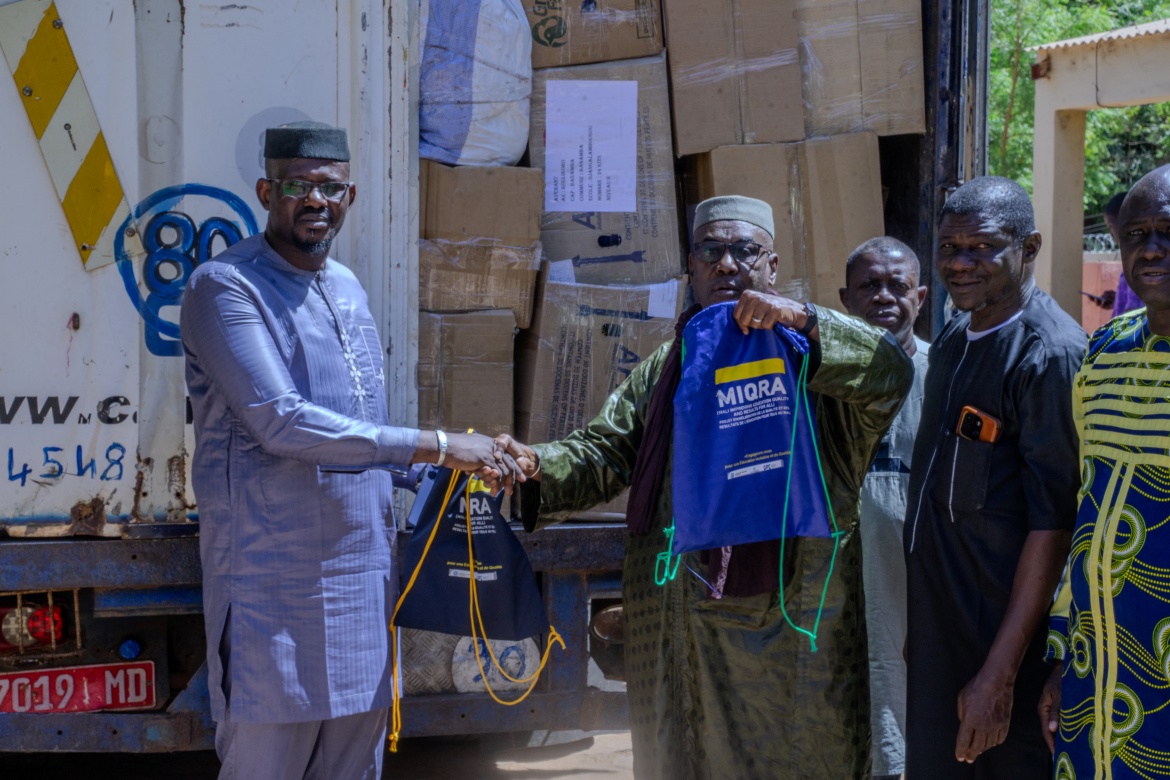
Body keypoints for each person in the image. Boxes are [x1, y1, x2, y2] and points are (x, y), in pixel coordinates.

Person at [493, 196, 913, 779]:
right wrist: (534, 464)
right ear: (691, 267)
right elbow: (606, 450)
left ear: (771, 265)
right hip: (677, 622)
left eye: (744, 251)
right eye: (711, 251)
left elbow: (890, 371)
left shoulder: (810, 361)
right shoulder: (670, 364)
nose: (726, 265)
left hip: (786, 628)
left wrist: (802, 319)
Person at [180, 121, 514, 779]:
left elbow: (368, 436)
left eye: (328, 188)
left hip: (361, 584)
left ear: (350, 195)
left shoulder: (349, 289)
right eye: (296, 185)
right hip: (271, 585)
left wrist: (474, 469)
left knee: (353, 768)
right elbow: (283, 423)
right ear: (265, 190)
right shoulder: (224, 289)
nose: (314, 200)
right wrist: (442, 446)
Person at [903, 176, 1087, 778]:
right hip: (942, 638)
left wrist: (998, 677)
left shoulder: (1050, 354)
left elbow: (1053, 526)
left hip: (1000, 651)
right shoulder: (957, 333)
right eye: (950, 248)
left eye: (980, 248)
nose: (960, 264)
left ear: (1028, 248)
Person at [1037, 165, 1170, 779]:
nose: (1152, 250)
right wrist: (1064, 656)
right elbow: (1086, 514)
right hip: (1097, 683)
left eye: (1167, 231)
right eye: (1137, 234)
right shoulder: (1104, 351)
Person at [838, 236, 929, 780]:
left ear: (919, 296)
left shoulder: (946, 373)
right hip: (842, 570)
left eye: (898, 286)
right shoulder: (820, 379)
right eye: (869, 286)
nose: (884, 296)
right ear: (844, 297)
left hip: (916, 573)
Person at [1106, 191, 1144, 317]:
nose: (1111, 234)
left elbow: (1133, 313)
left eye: (1110, 226)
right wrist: (1117, 299)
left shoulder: (1140, 262)